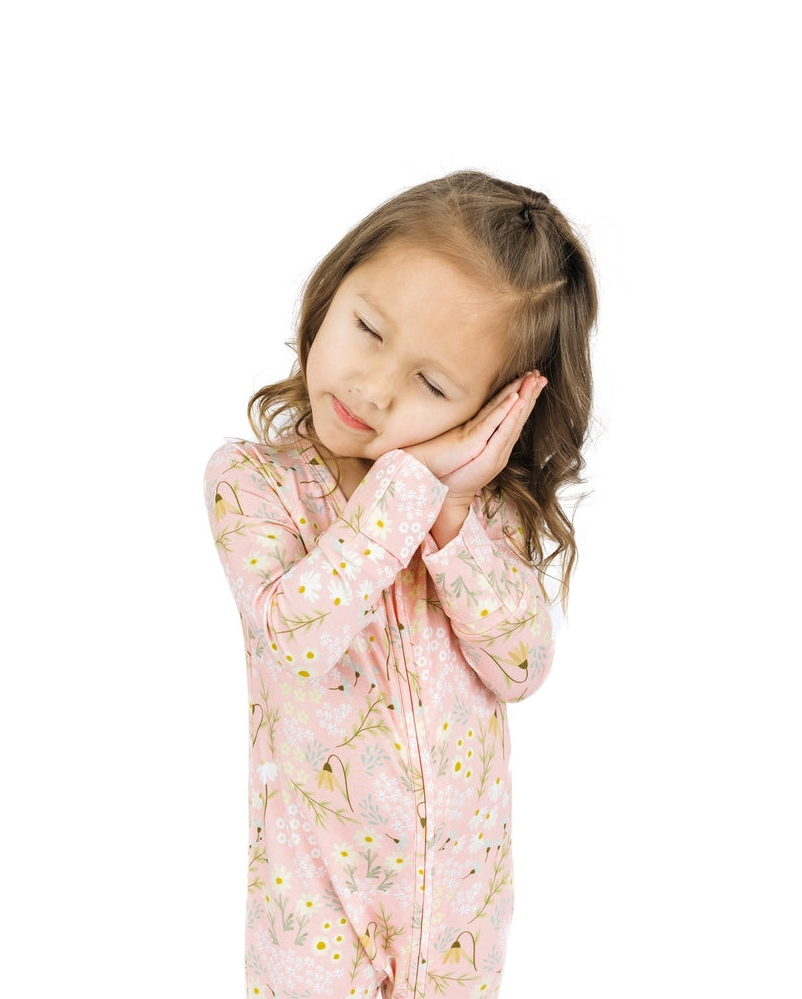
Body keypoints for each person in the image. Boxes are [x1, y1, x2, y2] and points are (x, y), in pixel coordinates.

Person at [204, 171, 597, 998]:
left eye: (433, 385)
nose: (373, 386)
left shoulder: (481, 515)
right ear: (333, 287)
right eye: (368, 328)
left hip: (461, 925)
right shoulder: (255, 483)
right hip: (316, 919)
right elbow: (293, 641)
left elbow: (521, 666)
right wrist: (410, 486)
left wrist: (451, 513)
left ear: (493, 413)